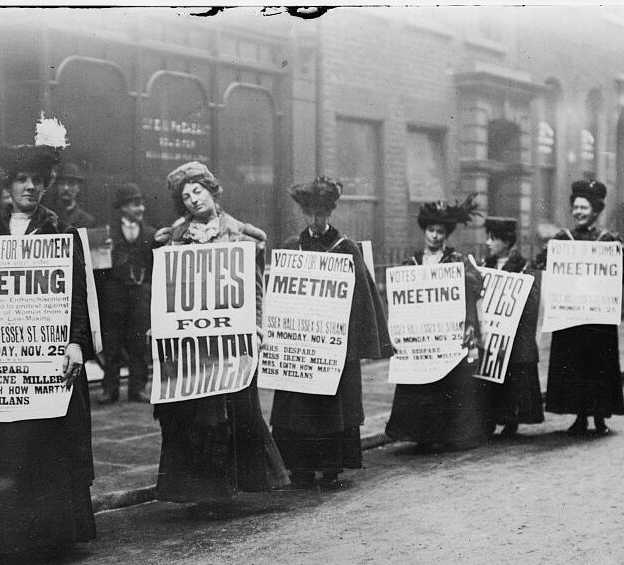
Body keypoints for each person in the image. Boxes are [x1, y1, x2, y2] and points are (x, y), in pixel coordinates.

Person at [0, 120, 97, 564]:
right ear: (7, 185)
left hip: (46, 361)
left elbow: (78, 298)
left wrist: (76, 344)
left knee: (44, 445)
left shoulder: (61, 234)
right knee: (2, 445)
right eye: (22, 179)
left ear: (47, 185)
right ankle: (0, 535)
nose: (30, 187)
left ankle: (47, 537)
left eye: (38, 180)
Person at [152, 161, 289, 512]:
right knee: (195, 414)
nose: (193, 200)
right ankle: (203, 491)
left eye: (198, 191)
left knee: (234, 412)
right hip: (191, 345)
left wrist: (258, 325)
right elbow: (166, 290)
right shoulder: (175, 238)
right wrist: (160, 322)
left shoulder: (243, 237)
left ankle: (232, 486)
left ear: (212, 191)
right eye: (186, 197)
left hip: (231, 341)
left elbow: (256, 290)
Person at [270, 177, 392, 489]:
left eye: (321, 214)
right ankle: (299, 467)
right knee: (299, 408)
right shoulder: (290, 248)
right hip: (300, 344)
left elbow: (362, 300)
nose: (315, 220)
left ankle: (330, 466)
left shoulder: (346, 249)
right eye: (310, 214)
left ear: (330, 214)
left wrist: (349, 340)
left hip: (334, 346)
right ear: (304, 215)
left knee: (330, 409)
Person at [532, 179, 624, 437]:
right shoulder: (562, 239)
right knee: (575, 365)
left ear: (595, 210)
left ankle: (600, 416)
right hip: (570, 314)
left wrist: (610, 276)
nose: (578, 212)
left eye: (584, 207)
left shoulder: (609, 240)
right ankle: (580, 415)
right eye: (576, 207)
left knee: (599, 364)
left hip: (598, 316)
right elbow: (540, 262)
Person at [384, 196, 487, 452]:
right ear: (424, 231)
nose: (435, 236)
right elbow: (399, 297)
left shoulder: (456, 261)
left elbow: (477, 284)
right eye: (431, 230)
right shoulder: (412, 262)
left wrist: (464, 278)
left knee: (447, 383)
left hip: (447, 335)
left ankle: (447, 433)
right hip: (421, 334)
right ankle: (421, 434)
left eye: (440, 231)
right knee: (421, 384)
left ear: (446, 234)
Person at [480, 216, 544, 437]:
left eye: (493, 238)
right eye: (488, 237)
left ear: (506, 242)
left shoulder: (523, 267)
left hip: (512, 334)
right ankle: (489, 418)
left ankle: (510, 418)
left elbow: (531, 299)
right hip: (490, 331)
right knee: (487, 375)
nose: (488, 243)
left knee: (510, 378)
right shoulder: (485, 265)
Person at [97, 183, 156, 404]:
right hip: (115, 294)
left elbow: (154, 266)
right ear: (122, 207)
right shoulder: (108, 234)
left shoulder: (150, 233)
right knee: (111, 342)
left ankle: (137, 388)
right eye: (135, 204)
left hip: (141, 294)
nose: (140, 208)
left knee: (139, 343)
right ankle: (110, 388)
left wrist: (147, 288)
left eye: (141, 204)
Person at [46, 161, 97, 229]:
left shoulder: (87, 221)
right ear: (57, 186)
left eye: (71, 183)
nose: (66, 188)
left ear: (78, 188)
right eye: (62, 183)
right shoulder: (46, 217)